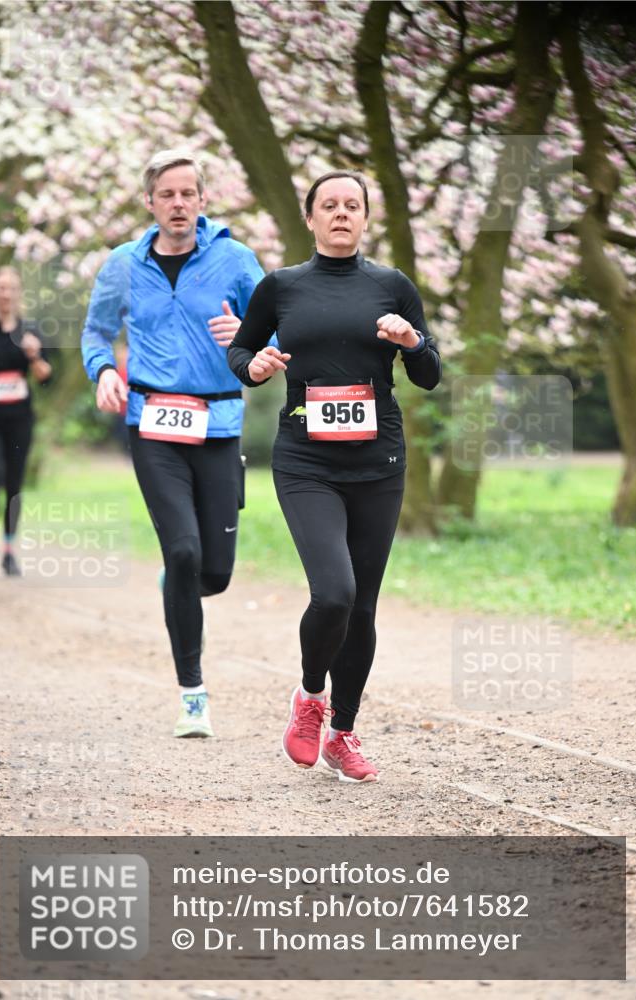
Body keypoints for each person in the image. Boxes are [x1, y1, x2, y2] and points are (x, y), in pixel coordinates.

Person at [228, 170, 441, 783]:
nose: (342, 213)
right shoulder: (282, 287)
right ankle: (308, 698)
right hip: (306, 461)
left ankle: (342, 733)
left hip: (379, 462)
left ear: (366, 218)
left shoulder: (392, 285)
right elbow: (241, 353)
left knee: (364, 608)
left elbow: (428, 373)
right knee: (334, 594)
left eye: (353, 205)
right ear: (311, 218)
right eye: (330, 205)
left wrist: (412, 340)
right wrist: (259, 363)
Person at [81, 148, 264, 739]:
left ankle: (179, 587)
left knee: (214, 574)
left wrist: (251, 335)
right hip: (152, 424)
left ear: (203, 200)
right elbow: (96, 329)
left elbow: (280, 327)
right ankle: (192, 694)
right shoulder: (123, 264)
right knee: (181, 552)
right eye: (168, 194)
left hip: (219, 426)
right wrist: (104, 371)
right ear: (150, 202)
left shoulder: (236, 260)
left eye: (189, 193)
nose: (179, 203)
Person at [0, 267, 52, 577]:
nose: (5, 294)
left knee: (14, 484)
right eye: (0, 287)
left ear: (18, 293)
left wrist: (35, 357)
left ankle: (9, 549)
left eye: (11, 288)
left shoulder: (30, 331)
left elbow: (46, 377)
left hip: (20, 419)